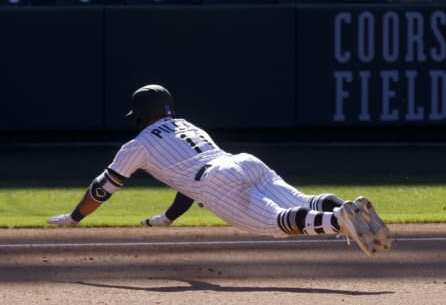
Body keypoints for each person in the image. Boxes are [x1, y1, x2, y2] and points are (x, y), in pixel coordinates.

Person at [48, 84, 392, 256]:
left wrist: (75, 217)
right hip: (244, 162)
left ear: (140, 115)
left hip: (217, 182)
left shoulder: (137, 145)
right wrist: (168, 218)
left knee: (277, 224)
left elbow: (102, 188)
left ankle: (340, 221)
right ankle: (347, 207)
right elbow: (186, 184)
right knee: (307, 200)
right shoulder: (187, 125)